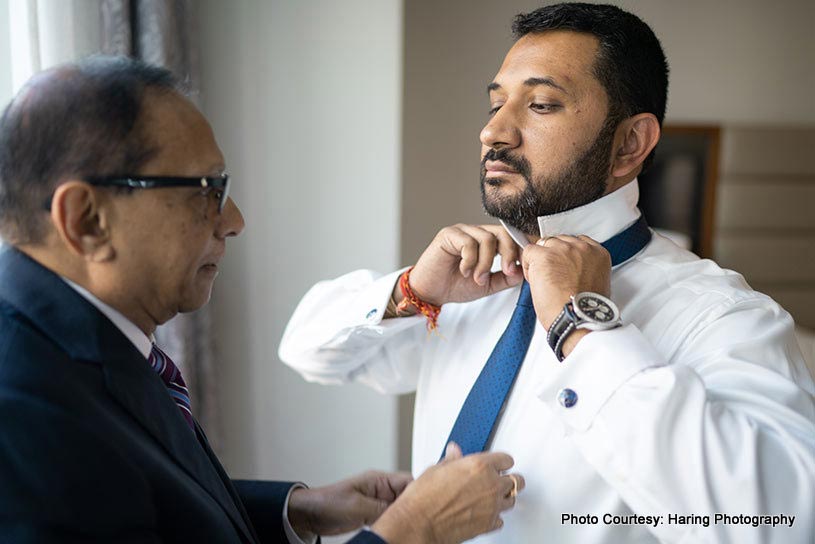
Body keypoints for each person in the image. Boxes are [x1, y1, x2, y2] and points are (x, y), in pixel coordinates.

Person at [279, 3, 815, 543]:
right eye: (495, 103)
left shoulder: (721, 317)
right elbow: (306, 353)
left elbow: (777, 523)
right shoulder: (470, 281)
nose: (493, 131)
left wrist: (582, 326)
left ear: (629, 144)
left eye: (540, 104)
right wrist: (408, 290)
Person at [0, 56, 525, 544]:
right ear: (87, 220)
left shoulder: (81, 340)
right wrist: (411, 532)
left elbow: (133, 507)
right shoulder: (18, 412)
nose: (235, 221)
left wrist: (298, 510)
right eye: (206, 190)